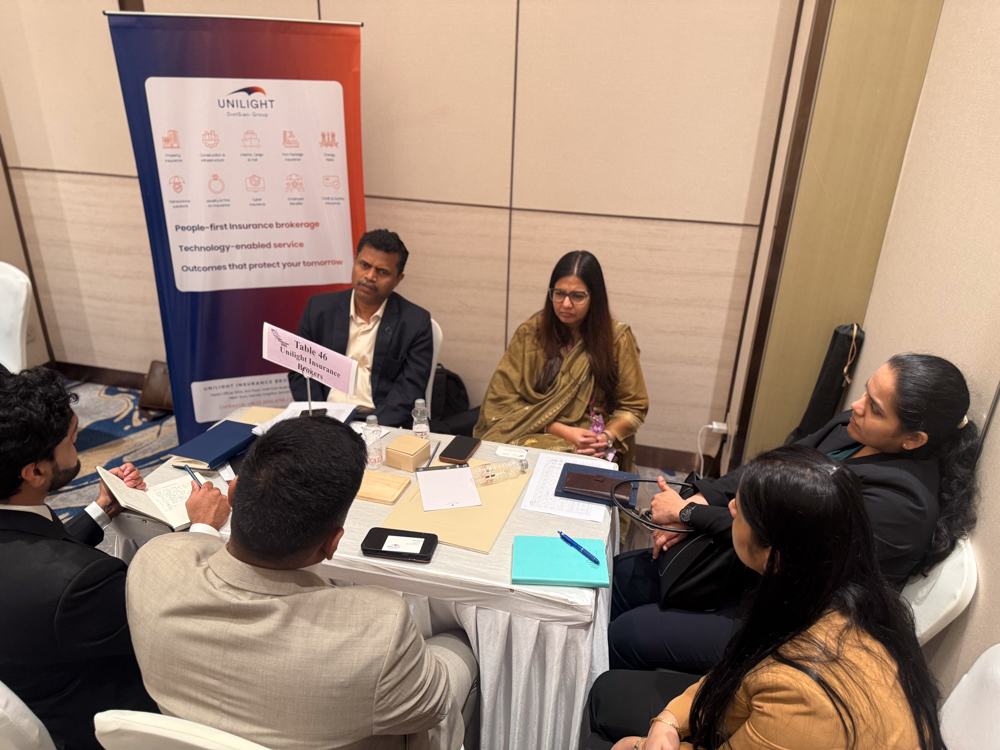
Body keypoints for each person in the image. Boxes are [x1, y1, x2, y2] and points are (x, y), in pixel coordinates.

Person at [609, 353, 979, 673]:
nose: (858, 405)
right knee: (622, 576)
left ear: (913, 439)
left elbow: (785, 543)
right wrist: (703, 499)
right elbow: (769, 468)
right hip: (750, 567)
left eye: (876, 408)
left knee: (629, 634)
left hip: (791, 619)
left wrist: (689, 514)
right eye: (867, 391)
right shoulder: (853, 428)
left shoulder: (901, 504)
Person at [126, 415, 479, 750]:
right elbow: (431, 710)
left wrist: (204, 524)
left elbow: (186, 550)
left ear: (233, 496)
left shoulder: (151, 565)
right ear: (332, 544)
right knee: (460, 642)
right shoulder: (380, 627)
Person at [587, 445, 946, 750]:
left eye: (741, 510)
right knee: (610, 690)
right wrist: (669, 719)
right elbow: (737, 668)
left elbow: (765, 686)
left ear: (775, 555)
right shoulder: (837, 593)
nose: (730, 508)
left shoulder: (805, 692)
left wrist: (637, 745)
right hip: (756, 707)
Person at [0, 366, 227, 750]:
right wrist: (203, 527)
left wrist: (101, 509)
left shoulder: (21, 530)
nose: (78, 444)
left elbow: (33, 559)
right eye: (71, 440)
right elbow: (176, 616)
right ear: (35, 471)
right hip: (99, 721)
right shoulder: (84, 584)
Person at [474, 250, 648, 471]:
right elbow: (501, 403)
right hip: (533, 432)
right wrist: (559, 430)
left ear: (594, 297)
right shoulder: (530, 334)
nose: (566, 304)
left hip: (589, 442)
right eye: (559, 293)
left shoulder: (616, 340)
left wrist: (605, 437)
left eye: (577, 296)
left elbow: (633, 407)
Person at [289, 229, 433, 428]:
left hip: (380, 423)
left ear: (398, 279)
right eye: (364, 265)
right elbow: (300, 371)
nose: (370, 276)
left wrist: (373, 429)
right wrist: (320, 421)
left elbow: (409, 390)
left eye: (382, 272)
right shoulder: (319, 309)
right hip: (325, 420)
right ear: (355, 261)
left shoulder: (415, 322)